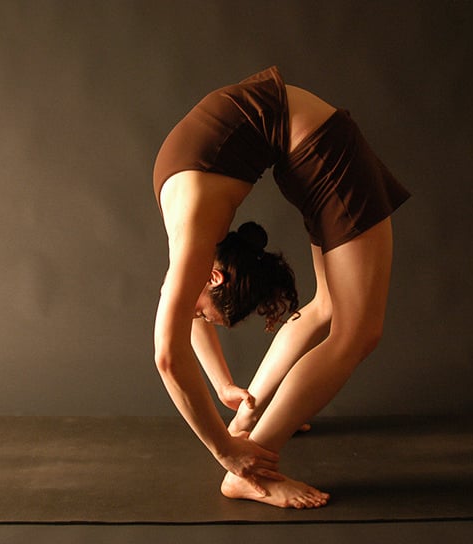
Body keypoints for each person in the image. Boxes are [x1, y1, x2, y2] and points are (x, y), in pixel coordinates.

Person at [152, 66, 410, 509]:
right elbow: (177, 332)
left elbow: (168, 354)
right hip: (309, 147)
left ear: (214, 277)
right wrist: (225, 400)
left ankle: (251, 444)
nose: (198, 318)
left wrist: (227, 448)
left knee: (344, 319)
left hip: (317, 148)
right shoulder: (195, 241)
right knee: (346, 323)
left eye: (204, 314)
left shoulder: (194, 235)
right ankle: (256, 453)